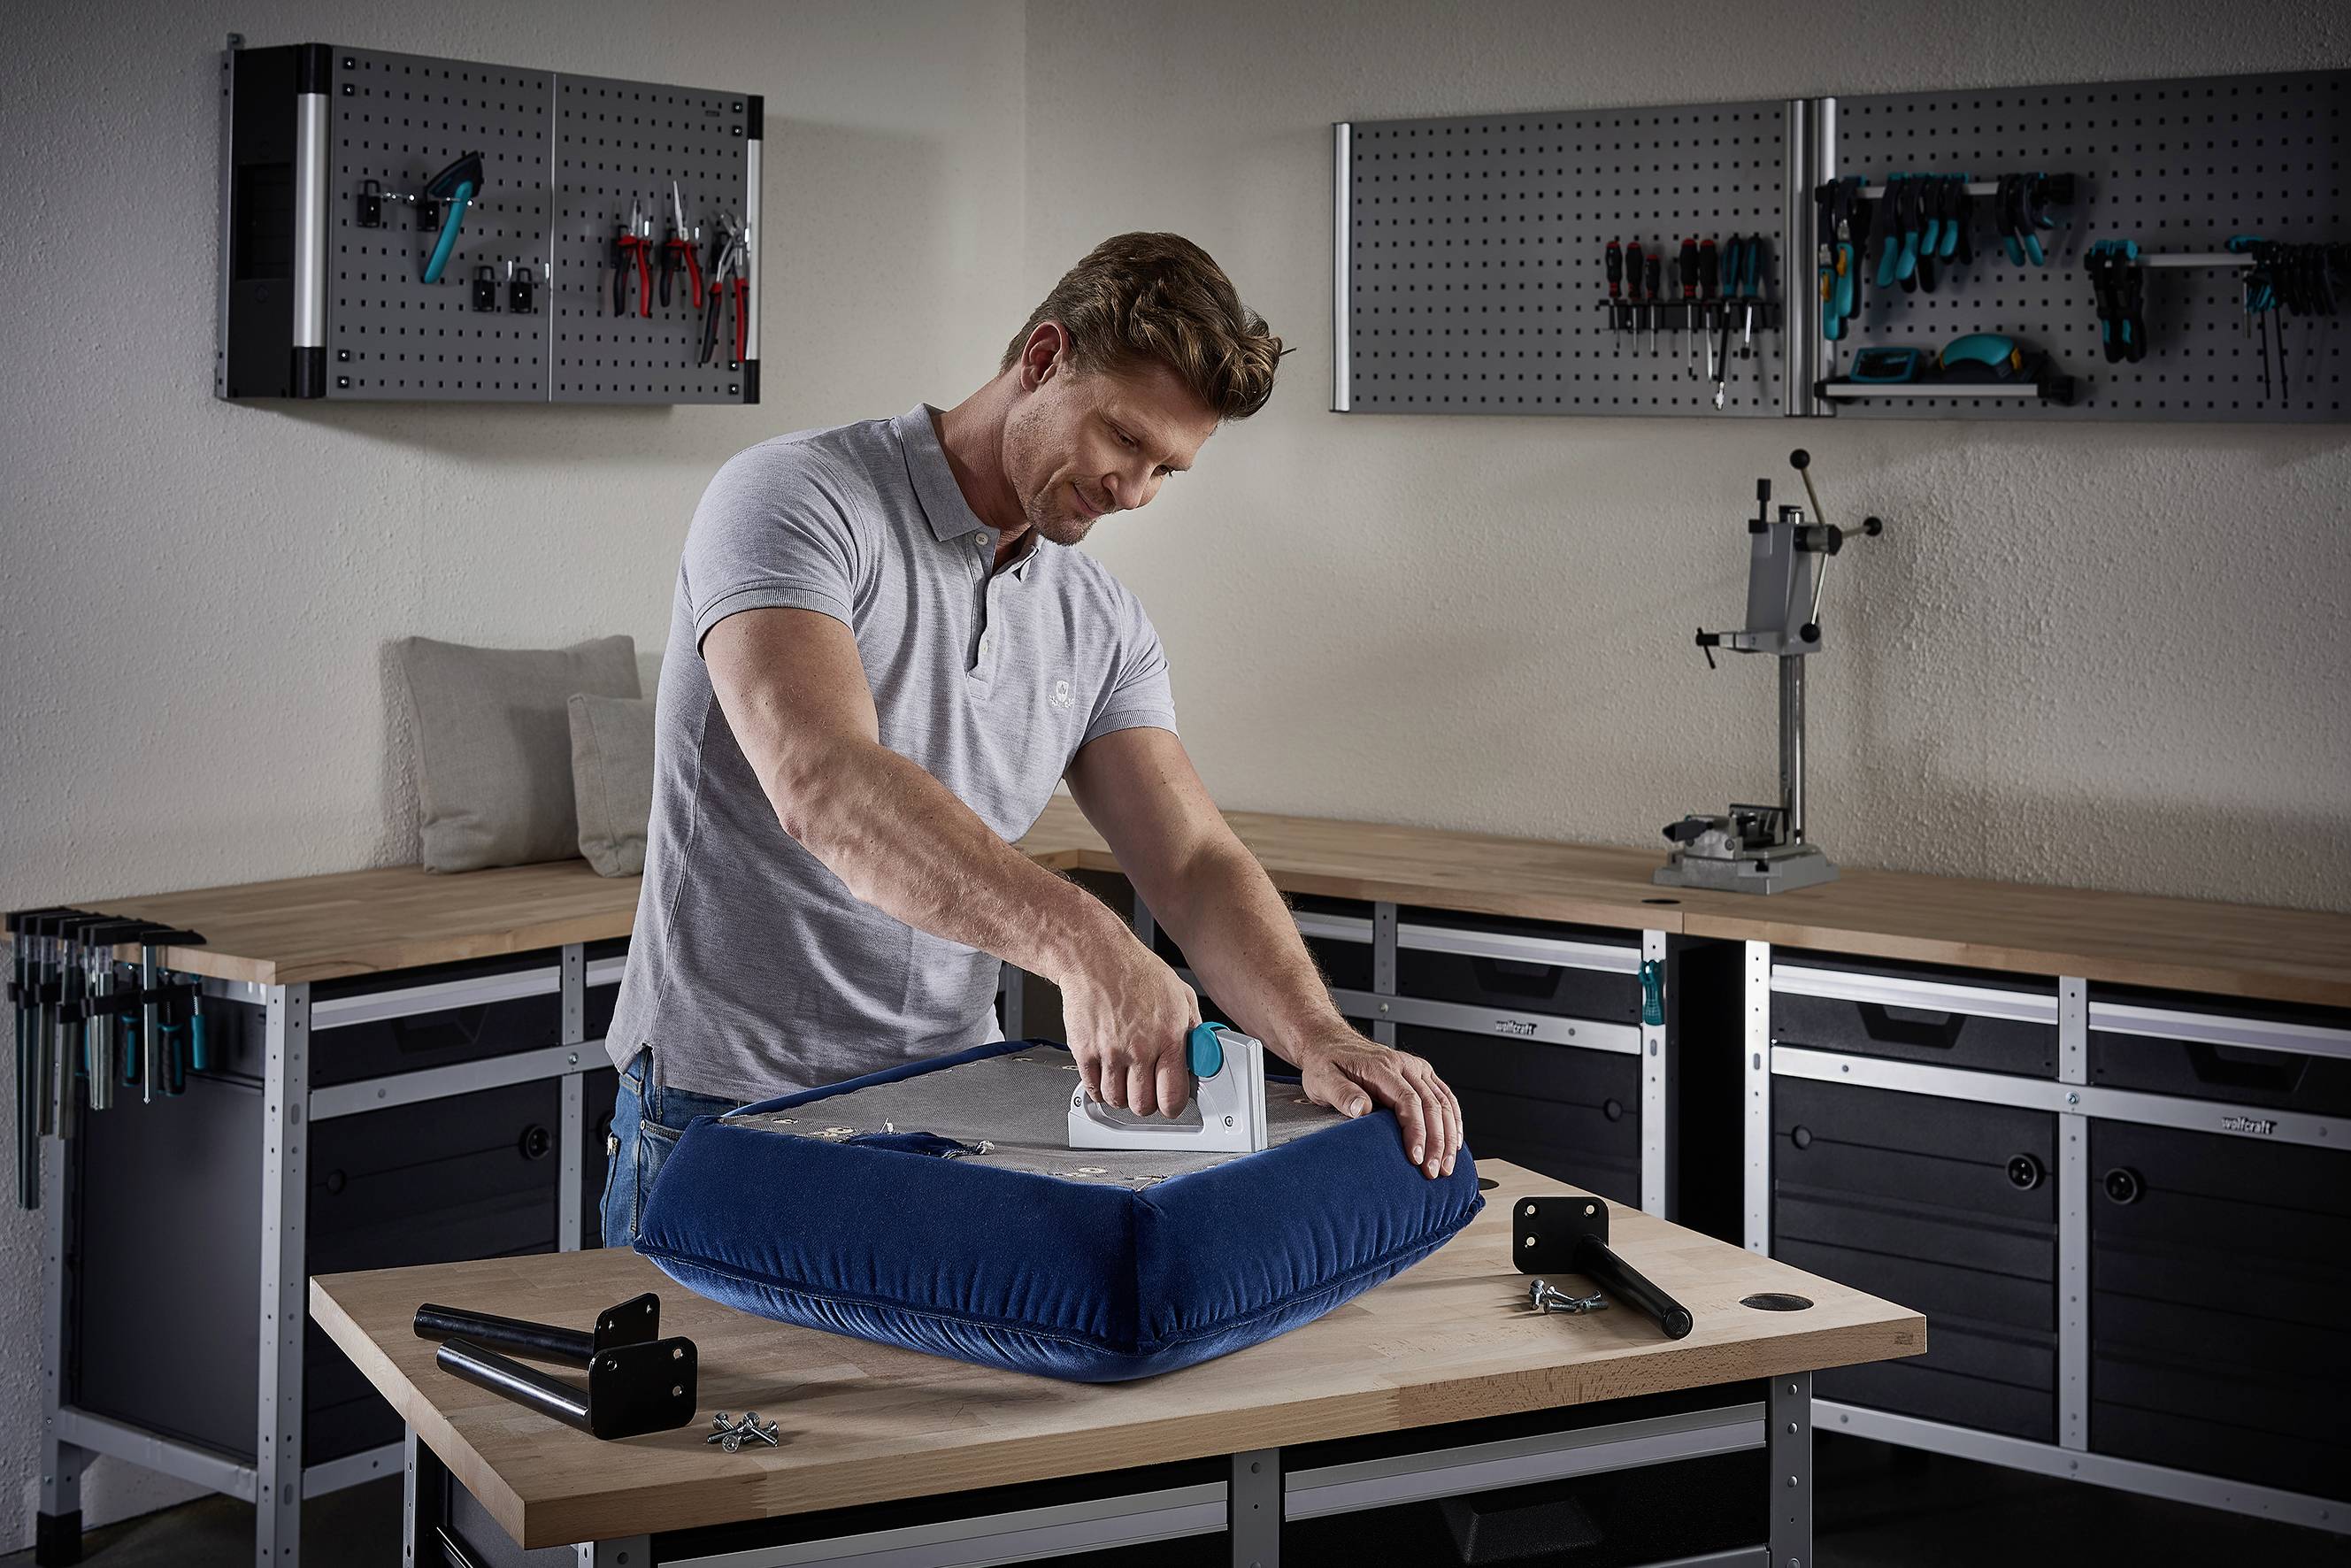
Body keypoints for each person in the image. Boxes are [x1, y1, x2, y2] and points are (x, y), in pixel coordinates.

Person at [600, 232, 1464, 1248]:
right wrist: (1086, 940)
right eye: (1122, 439)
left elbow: (1188, 862)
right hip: (724, 1111)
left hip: (952, 1105)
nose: (1134, 490)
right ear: (1044, 359)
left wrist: (1314, 1034)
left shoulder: (1097, 617)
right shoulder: (798, 499)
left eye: (1165, 470)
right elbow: (822, 781)